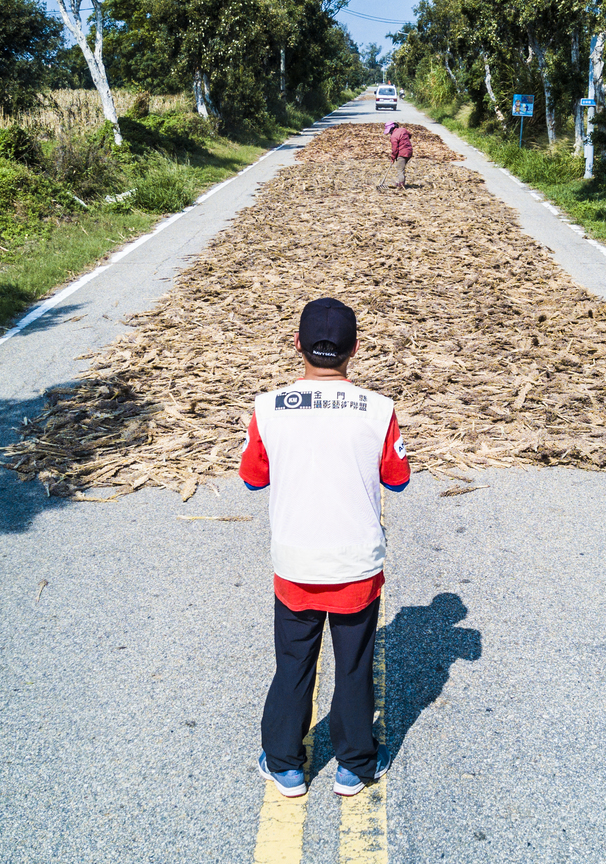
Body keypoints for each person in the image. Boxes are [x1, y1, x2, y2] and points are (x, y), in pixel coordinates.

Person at [241, 297, 411, 798]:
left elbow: (252, 479)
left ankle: (285, 765)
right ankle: (355, 764)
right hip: (356, 565)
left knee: (294, 663)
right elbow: (397, 479)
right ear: (355, 348)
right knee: (353, 666)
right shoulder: (378, 410)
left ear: (297, 344)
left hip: (295, 563)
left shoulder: (268, 408)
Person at [385, 121, 413, 189]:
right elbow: (410, 135)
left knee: (400, 169)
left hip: (402, 153)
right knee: (402, 168)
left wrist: (393, 158)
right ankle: (402, 182)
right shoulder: (403, 130)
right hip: (409, 151)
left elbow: (395, 149)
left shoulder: (393, 137)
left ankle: (401, 185)